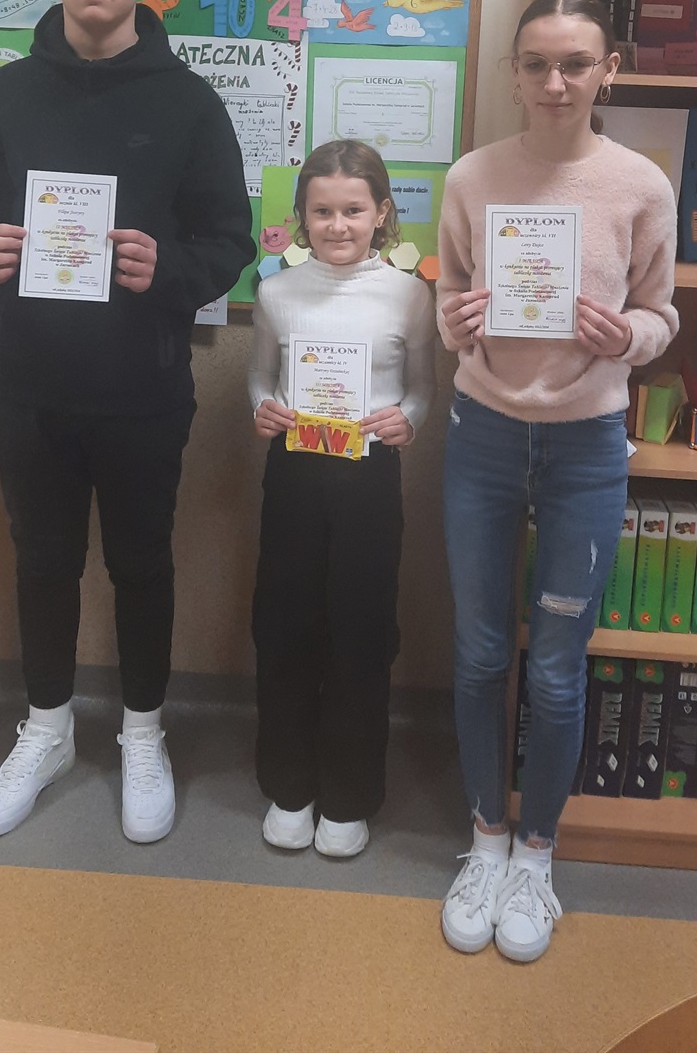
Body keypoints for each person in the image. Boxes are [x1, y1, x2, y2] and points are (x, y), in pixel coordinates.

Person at [0, 0, 254, 844]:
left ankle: (143, 732)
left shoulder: (189, 102)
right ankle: (45, 730)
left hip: (143, 390)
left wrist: (171, 271)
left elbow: (230, 240)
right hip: (30, 387)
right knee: (42, 562)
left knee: (142, 564)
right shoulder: (5, 96)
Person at [436, 0, 678, 962]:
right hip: (484, 434)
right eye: (536, 63)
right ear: (513, 71)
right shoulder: (472, 177)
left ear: (607, 70)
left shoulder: (639, 185)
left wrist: (629, 337)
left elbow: (663, 313)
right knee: (480, 654)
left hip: (586, 446)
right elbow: (453, 297)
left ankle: (537, 852)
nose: (555, 82)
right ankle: (485, 839)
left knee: (556, 664)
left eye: (576, 63)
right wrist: (454, 319)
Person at [247, 141, 437, 857]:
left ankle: (350, 794)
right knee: (285, 625)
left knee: (361, 630)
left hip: (369, 478)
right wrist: (262, 406)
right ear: (301, 216)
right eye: (322, 211)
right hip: (294, 474)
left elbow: (423, 386)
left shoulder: (408, 294)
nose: (337, 225)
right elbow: (258, 377)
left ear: (381, 213)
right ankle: (289, 785)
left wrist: (409, 420)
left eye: (353, 210)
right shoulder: (277, 292)